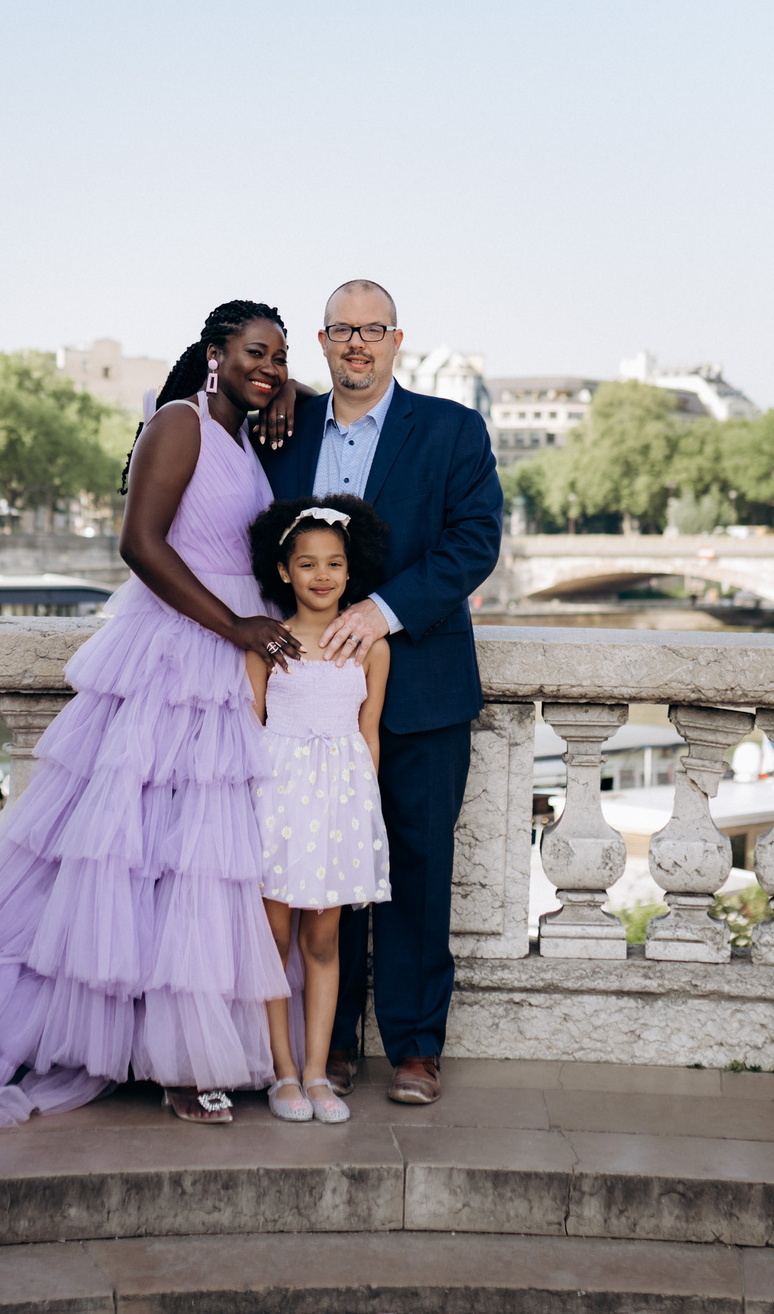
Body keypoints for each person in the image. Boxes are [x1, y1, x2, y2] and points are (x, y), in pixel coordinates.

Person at [0, 301, 299, 1135]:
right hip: (181, 650)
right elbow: (140, 543)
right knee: (147, 857)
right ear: (214, 353)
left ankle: (178, 1045)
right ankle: (178, 1063)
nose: (269, 368)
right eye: (255, 353)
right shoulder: (179, 422)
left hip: (235, 663)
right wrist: (235, 625)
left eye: (280, 356)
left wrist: (287, 389)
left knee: (200, 862)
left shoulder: (244, 437)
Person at [257, 280, 502, 1108]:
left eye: (372, 329)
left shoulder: (452, 429)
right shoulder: (282, 431)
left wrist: (383, 610)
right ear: (323, 342)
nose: (357, 343)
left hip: (423, 685)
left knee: (419, 867)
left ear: (398, 340)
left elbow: (475, 540)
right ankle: (327, 1045)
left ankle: (415, 1047)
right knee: (319, 868)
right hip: (308, 702)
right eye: (341, 329)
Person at [245, 495, 392, 1125]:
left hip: (339, 805)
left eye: (334, 563)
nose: (322, 575)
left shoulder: (369, 647)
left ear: (350, 570)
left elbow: (369, 733)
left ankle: (316, 1072)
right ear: (284, 571)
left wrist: (363, 813)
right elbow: (251, 726)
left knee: (323, 938)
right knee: (274, 937)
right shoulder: (268, 643)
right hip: (276, 799)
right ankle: (282, 1071)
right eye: (307, 564)